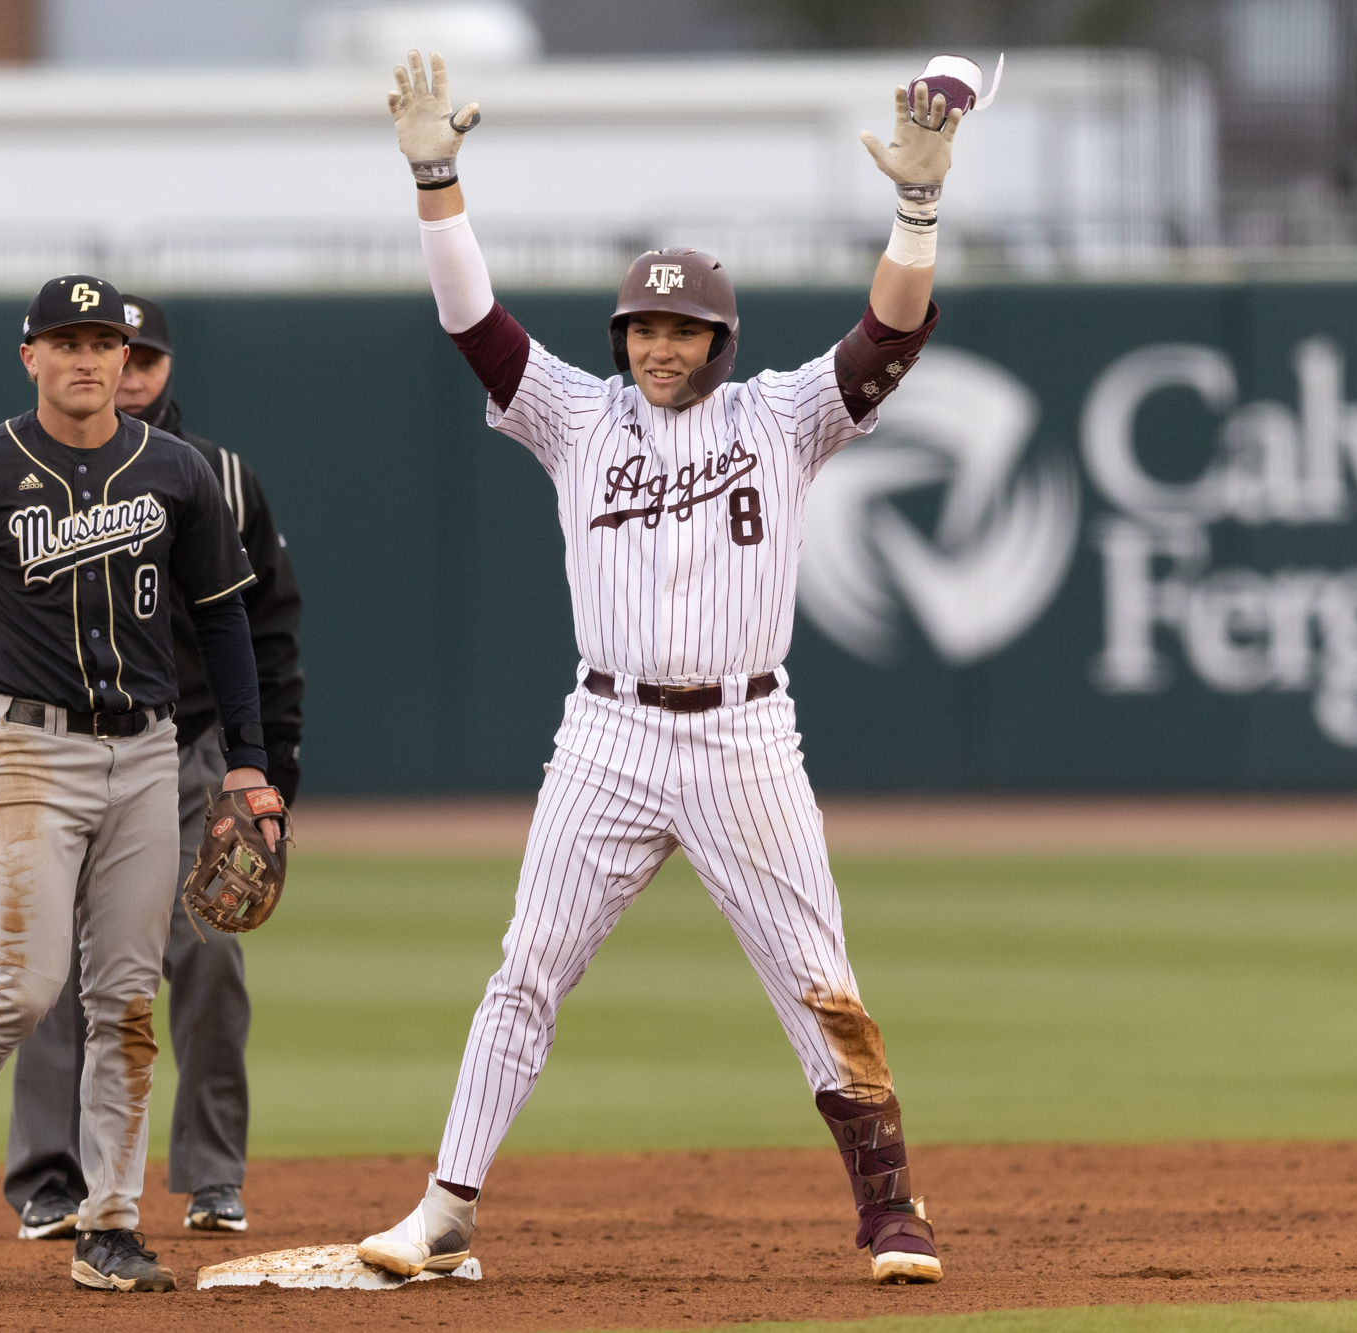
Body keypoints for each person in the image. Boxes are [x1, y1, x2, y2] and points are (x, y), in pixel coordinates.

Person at [354, 52, 963, 1287]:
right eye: (643, 326)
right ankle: (444, 1206)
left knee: (817, 978)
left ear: (720, 338)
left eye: (682, 328)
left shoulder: (781, 416)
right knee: (527, 967)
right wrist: (435, 179)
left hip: (745, 737)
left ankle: (891, 1214)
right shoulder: (576, 416)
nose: (659, 346)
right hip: (608, 735)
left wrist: (915, 211)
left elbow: (887, 333)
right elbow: (473, 324)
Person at [0, 273, 282, 1296]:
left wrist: (247, 758)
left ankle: (109, 1223)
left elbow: (228, 617)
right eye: (65, 341)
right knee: (23, 985)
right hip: (30, 749)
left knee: (126, 1000)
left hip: (150, 753)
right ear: (30, 356)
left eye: (102, 342)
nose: (87, 358)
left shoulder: (177, 472)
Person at [2, 294, 304, 1241]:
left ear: (160, 365)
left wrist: (270, 769)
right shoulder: (21, 472)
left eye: (141, 358)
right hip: (60, 745)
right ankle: (49, 1177)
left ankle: (212, 1176)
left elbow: (268, 630)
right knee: (53, 960)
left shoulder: (214, 476)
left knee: (210, 949)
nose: (125, 376)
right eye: (104, 354)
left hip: (191, 748)